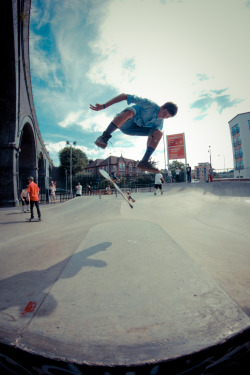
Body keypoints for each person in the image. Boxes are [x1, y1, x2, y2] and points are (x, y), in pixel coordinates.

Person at [90, 94, 178, 173]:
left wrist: (148, 151)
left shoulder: (159, 122)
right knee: (131, 111)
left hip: (133, 130)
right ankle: (104, 137)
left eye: (167, 117)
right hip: (124, 122)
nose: (164, 116)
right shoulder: (150, 104)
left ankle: (144, 161)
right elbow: (124, 96)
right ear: (162, 107)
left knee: (158, 133)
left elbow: (152, 137)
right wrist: (104, 106)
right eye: (164, 113)